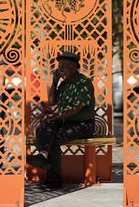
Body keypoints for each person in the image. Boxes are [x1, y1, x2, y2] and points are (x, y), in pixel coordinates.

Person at [27, 51, 95, 188]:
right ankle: (43, 156)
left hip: (83, 125)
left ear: (73, 67)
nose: (60, 69)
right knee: (44, 127)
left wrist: (55, 116)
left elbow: (76, 108)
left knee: (54, 138)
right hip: (65, 122)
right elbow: (52, 102)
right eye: (60, 66)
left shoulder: (83, 82)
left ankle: (53, 179)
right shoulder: (63, 84)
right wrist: (55, 81)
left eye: (63, 66)